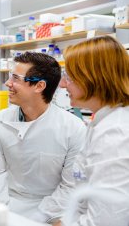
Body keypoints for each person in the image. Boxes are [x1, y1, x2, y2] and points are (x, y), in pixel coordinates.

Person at [0, 51, 86, 223]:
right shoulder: (0, 121)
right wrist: (2, 213)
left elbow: (70, 185)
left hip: (54, 210)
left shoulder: (73, 128)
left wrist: (41, 217)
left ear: (39, 86)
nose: (7, 83)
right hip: (8, 203)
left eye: (16, 78)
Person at [53, 36, 129, 226]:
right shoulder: (104, 121)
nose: (62, 84)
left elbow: (108, 220)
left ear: (93, 78)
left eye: (69, 77)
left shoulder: (114, 133)